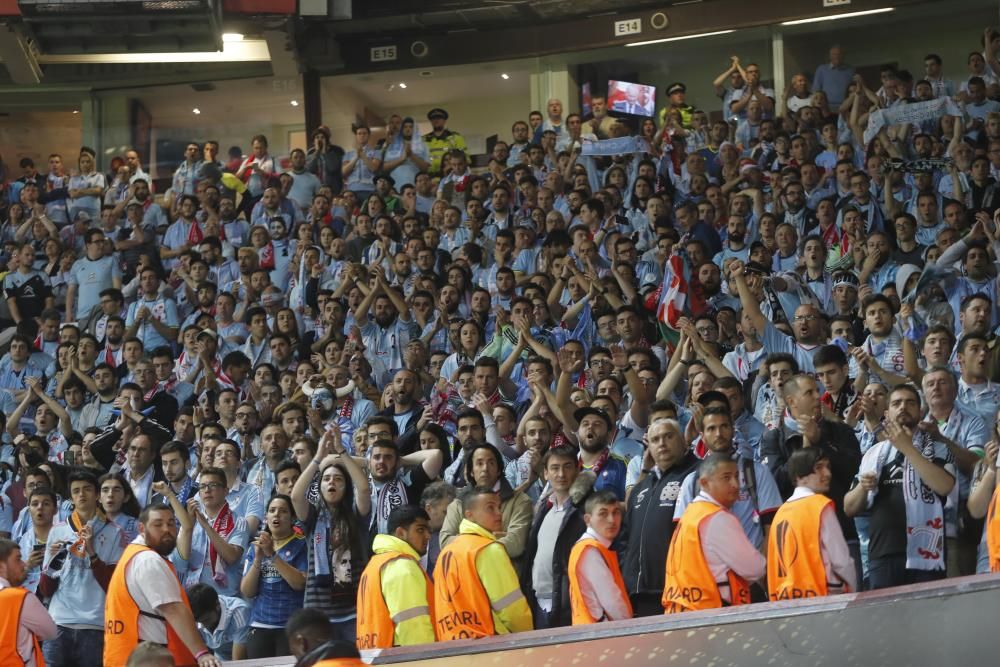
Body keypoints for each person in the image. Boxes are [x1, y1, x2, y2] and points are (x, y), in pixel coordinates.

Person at [845, 384, 956, 589]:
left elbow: (945, 486)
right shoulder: (873, 454)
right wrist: (863, 487)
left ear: (920, 411)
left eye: (910, 402)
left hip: (928, 552)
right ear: (887, 413)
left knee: (928, 619)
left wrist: (907, 448)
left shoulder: (938, 448)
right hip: (883, 552)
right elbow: (849, 507)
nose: (903, 406)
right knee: (885, 621)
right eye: (897, 403)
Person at [104, 503, 222, 667]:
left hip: (127, 656)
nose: (166, 529)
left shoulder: (134, 554)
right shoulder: (148, 560)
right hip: (148, 660)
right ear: (142, 528)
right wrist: (201, 654)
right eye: (158, 524)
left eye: (171, 523)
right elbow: (173, 609)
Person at [663, 453, 766, 613]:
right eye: (726, 478)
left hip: (682, 613)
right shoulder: (717, 518)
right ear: (705, 482)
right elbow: (755, 568)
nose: (735, 484)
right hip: (711, 615)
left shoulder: (690, 515)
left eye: (737, 476)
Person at [433, 485, 532, 640]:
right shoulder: (488, 549)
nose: (499, 513)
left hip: (451, 644)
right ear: (469, 515)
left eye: (499, 507)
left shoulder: (446, 552)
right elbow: (512, 610)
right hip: (488, 644)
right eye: (490, 508)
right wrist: (528, 638)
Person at [767, 449, 858, 600]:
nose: (827, 473)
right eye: (819, 468)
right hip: (824, 597)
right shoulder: (820, 506)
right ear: (799, 475)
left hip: (785, 599)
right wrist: (853, 592)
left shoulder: (780, 512)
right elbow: (842, 562)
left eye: (827, 467)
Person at [356, 506, 435, 649]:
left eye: (428, 530)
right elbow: (413, 626)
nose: (428, 536)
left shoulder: (375, 564)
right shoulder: (402, 566)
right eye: (420, 530)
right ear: (400, 533)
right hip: (406, 657)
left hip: (377, 656)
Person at [567, 489, 632, 624]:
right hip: (599, 634)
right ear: (588, 519)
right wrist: (629, 625)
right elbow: (612, 601)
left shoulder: (590, 547)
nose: (611, 520)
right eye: (603, 514)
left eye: (616, 513)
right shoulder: (590, 550)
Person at [0, 537, 56, 667]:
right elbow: (51, 632)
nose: (24, 564)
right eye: (18, 559)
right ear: (1, 567)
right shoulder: (20, 597)